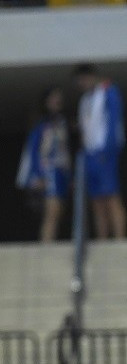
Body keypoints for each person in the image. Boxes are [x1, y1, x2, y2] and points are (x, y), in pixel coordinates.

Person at [74, 64, 125, 239]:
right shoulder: (83, 101)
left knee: (111, 197)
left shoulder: (108, 91)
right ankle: (102, 239)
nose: (83, 83)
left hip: (105, 152)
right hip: (90, 154)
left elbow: (113, 123)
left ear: (93, 77)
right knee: (97, 201)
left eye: (85, 78)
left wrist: (109, 150)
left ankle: (119, 238)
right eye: (80, 81)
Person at [16, 87, 71, 241]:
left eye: (58, 98)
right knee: (51, 212)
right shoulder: (41, 125)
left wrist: (68, 176)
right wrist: (37, 175)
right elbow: (33, 151)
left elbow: (65, 152)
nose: (57, 101)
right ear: (46, 102)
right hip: (47, 171)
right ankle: (46, 247)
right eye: (53, 98)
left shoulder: (62, 123)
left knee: (59, 211)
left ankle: (51, 241)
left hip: (61, 173)